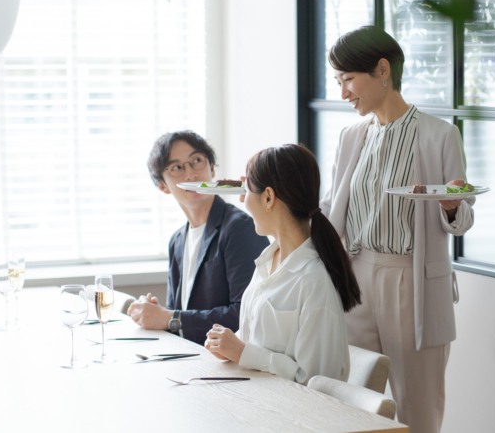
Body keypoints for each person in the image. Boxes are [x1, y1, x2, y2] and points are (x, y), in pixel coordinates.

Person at [322, 26, 475, 432]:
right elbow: (331, 207)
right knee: (349, 398)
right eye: (338, 82)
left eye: (348, 80)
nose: (343, 93)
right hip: (354, 278)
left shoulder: (439, 134)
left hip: (411, 280)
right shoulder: (351, 137)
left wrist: (452, 204)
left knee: (417, 408)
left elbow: (462, 217)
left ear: (383, 70)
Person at [204, 144, 360, 384]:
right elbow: (261, 341)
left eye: (246, 190)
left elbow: (316, 382)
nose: (243, 200)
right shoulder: (267, 262)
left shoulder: (314, 281)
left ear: (268, 197)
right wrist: (228, 346)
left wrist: (243, 353)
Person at [127, 131, 269, 344]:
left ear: (212, 168)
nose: (191, 175)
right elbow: (178, 315)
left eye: (197, 161)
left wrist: (171, 318)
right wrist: (159, 313)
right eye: (177, 168)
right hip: (192, 361)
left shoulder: (239, 227)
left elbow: (248, 314)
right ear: (163, 185)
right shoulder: (177, 241)